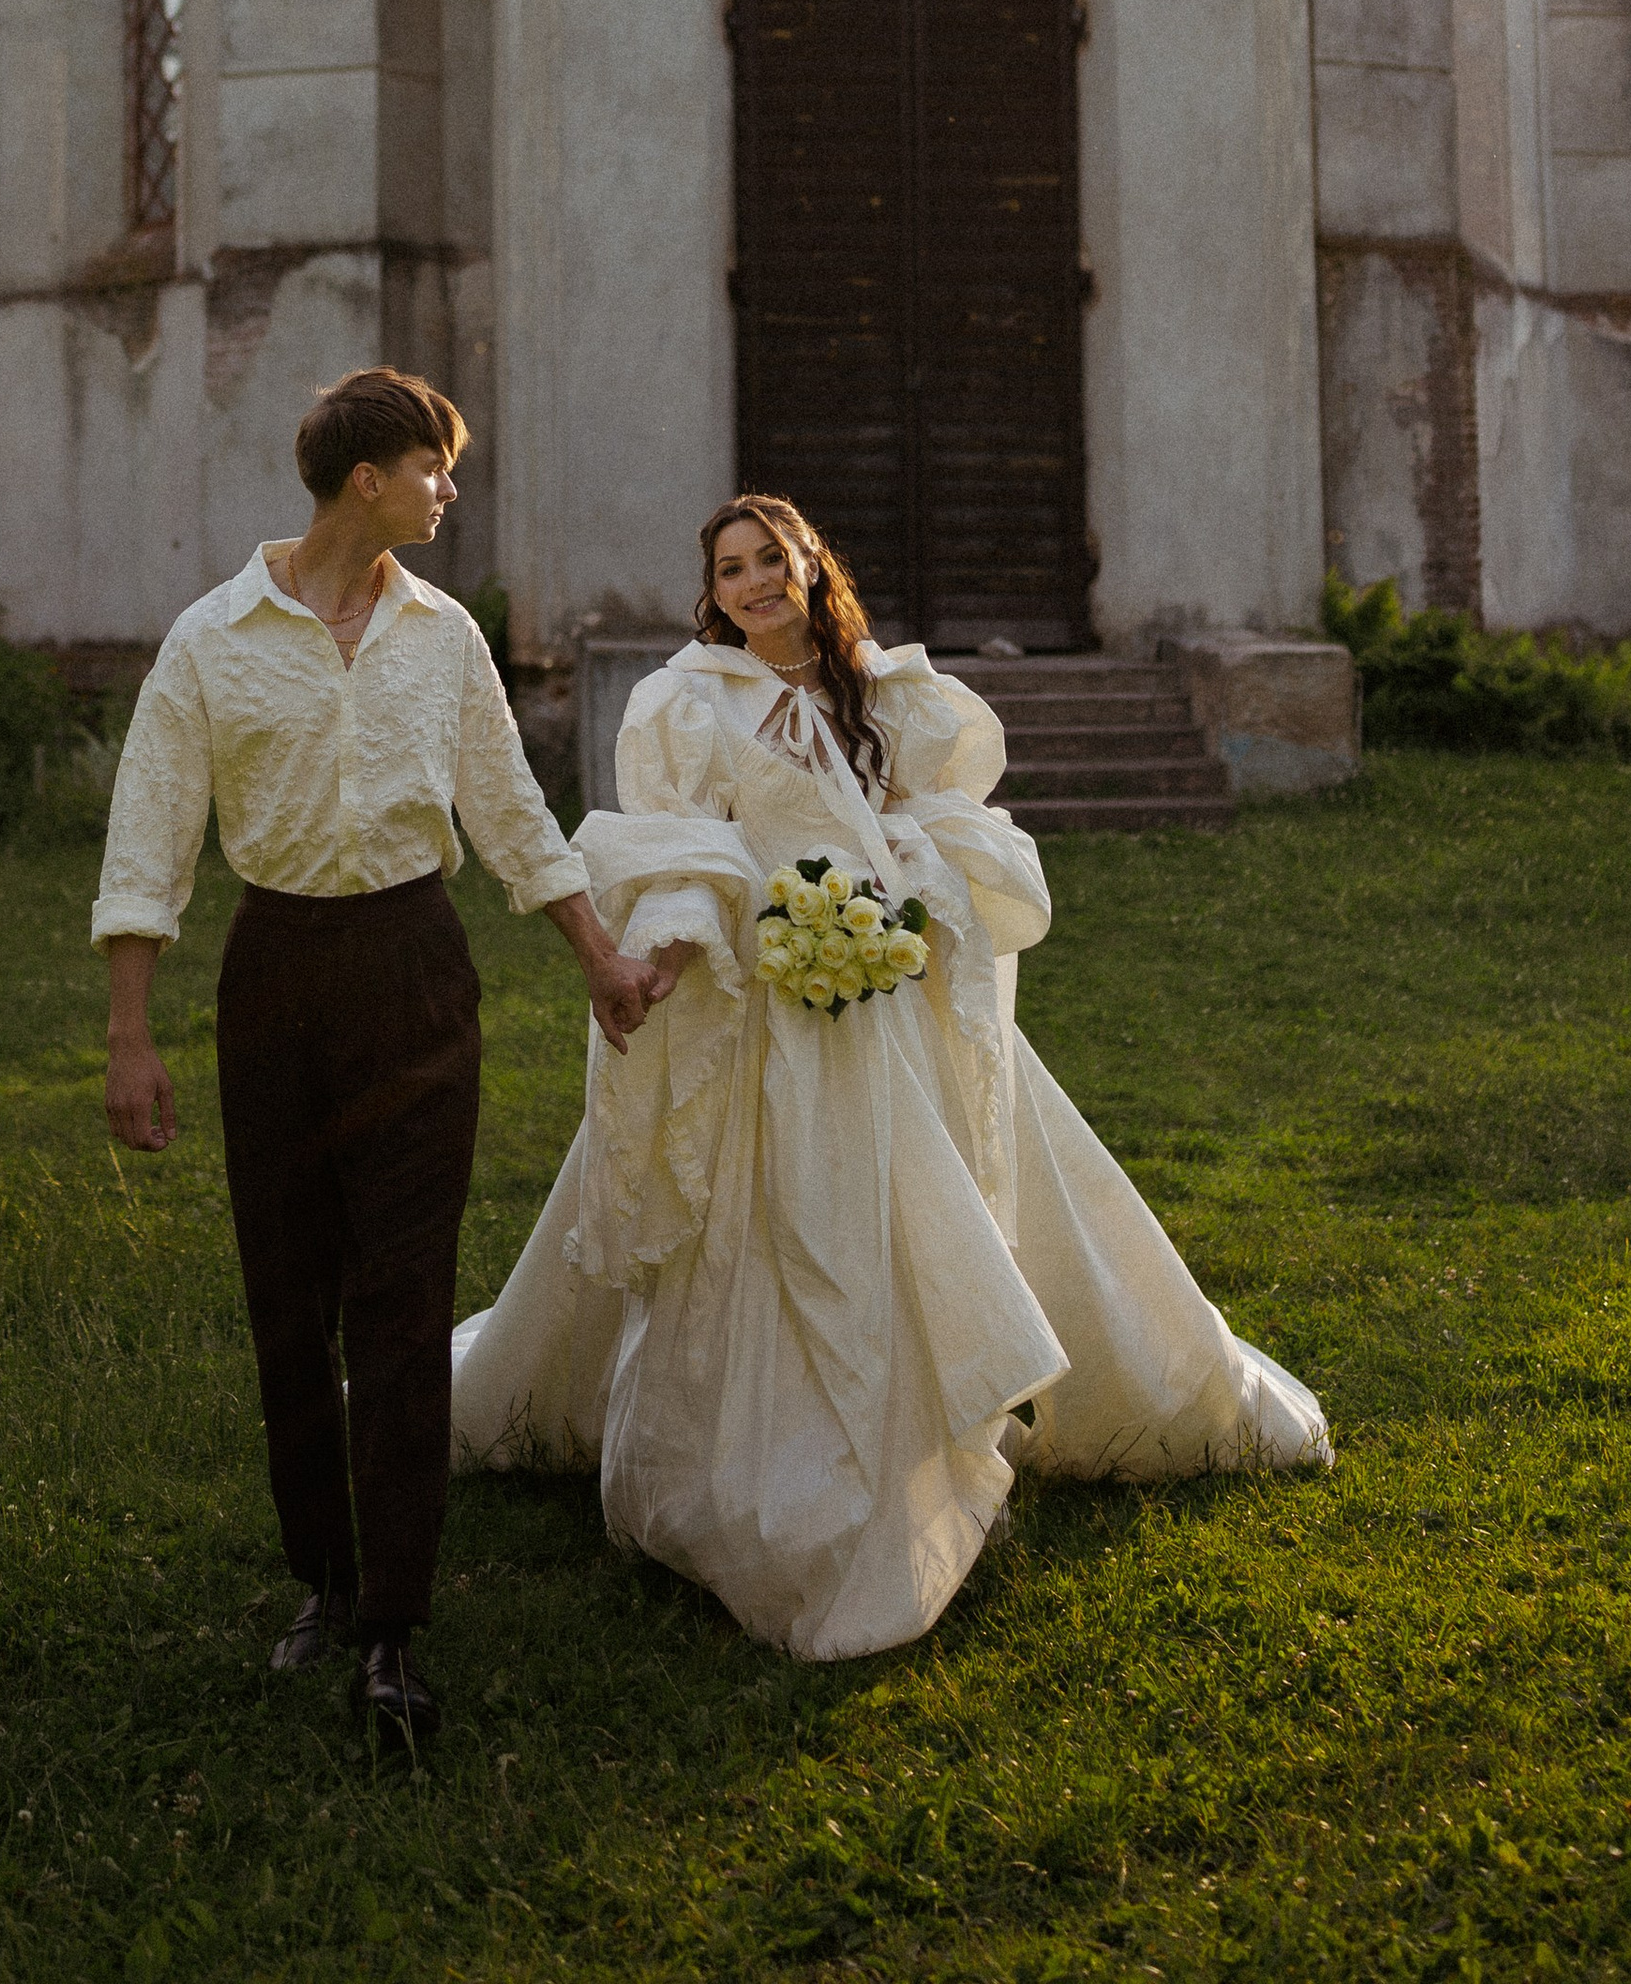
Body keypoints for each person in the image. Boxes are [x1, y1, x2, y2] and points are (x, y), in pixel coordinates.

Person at [450, 493, 1332, 1663]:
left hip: (894, 999)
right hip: (768, 1007)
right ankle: (792, 1479)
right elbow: (685, 853)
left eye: (774, 559)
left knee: (941, 1205)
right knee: (784, 1226)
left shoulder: (893, 694)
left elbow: (948, 823)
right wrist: (663, 953)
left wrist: (896, 888)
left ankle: (980, 1414)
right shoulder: (686, 706)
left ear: (814, 567)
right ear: (709, 593)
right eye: (731, 569)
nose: (756, 583)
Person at [93, 367, 668, 1751]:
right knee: (291, 1293)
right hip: (275, 975)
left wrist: (594, 953)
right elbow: (151, 828)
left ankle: (396, 1622)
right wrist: (130, 1034)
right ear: (370, 478)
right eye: (435, 469)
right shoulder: (212, 640)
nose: (448, 493)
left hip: (416, 967)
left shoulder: (441, 633)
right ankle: (324, 1578)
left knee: (404, 1295)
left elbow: (513, 811)